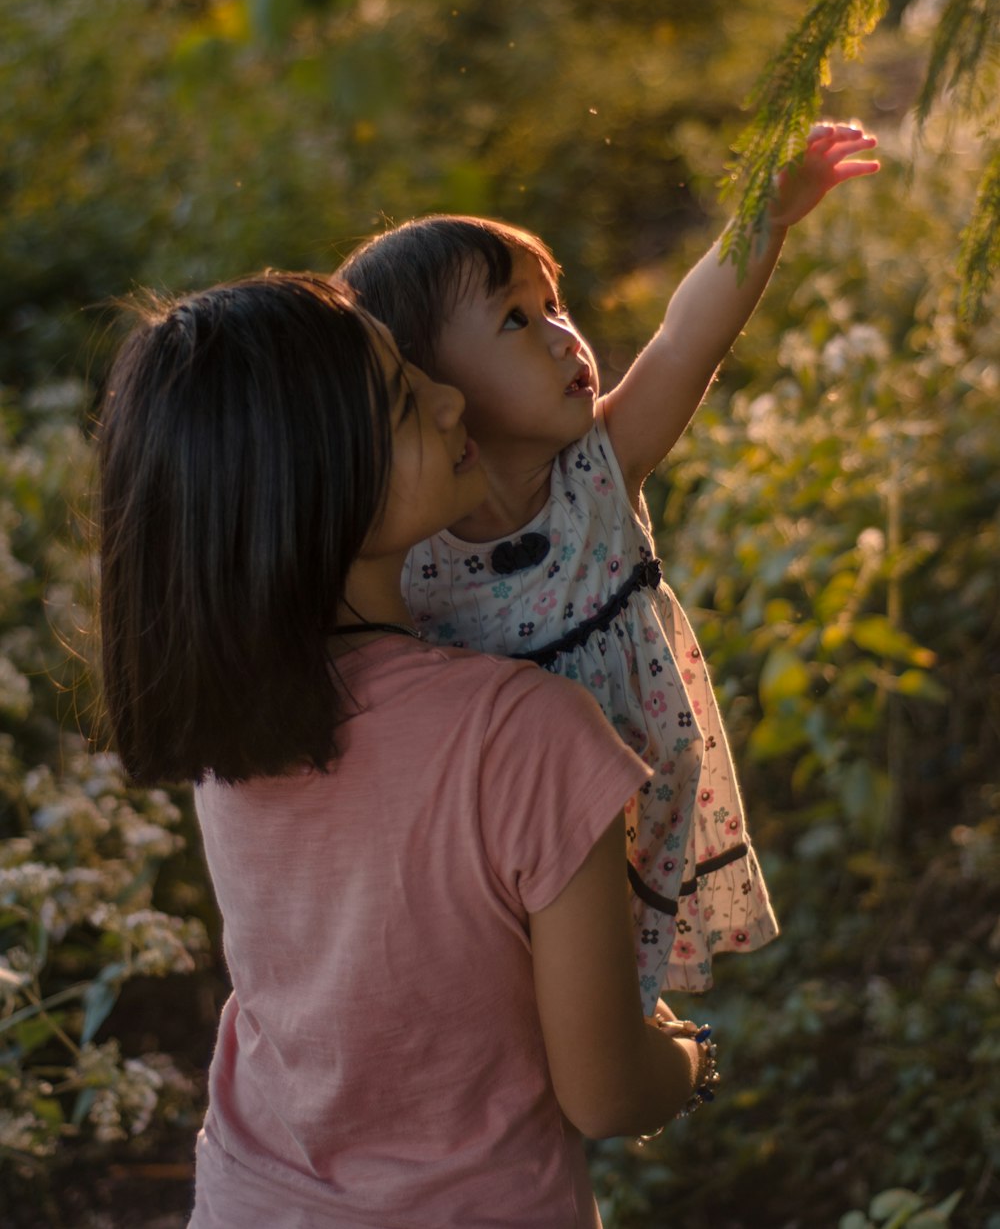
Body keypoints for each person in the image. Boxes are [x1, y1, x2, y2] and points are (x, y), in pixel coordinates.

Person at [97, 271, 721, 1229]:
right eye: (404, 398)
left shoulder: (232, 724)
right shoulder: (528, 736)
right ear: (315, 489)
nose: (449, 396)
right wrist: (689, 1058)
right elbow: (604, 1093)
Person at [339, 122, 880, 1013]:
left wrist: (768, 220)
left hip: (637, 806)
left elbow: (680, 341)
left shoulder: (599, 468)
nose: (562, 335)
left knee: (606, 1008)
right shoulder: (406, 549)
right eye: (516, 319)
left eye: (555, 305)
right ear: (426, 385)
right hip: (505, 838)